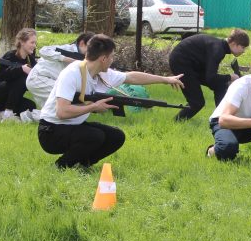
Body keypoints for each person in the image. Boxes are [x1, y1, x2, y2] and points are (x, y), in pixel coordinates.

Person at [37, 35, 184, 170]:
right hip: (50, 131)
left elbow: (131, 77)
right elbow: (62, 112)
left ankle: (82, 165)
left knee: (116, 136)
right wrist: (93, 107)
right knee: (95, 136)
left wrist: (165, 80)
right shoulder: (72, 74)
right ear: (103, 59)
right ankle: (61, 166)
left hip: (73, 126)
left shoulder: (102, 73)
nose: (113, 60)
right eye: (112, 56)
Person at [168, 28, 249, 121]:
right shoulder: (218, 50)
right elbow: (211, 78)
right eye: (243, 47)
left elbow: (211, 78)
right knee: (197, 102)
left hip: (191, 63)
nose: (243, 51)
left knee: (220, 85)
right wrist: (230, 77)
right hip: (181, 62)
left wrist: (226, 79)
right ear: (234, 44)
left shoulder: (219, 47)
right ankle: (176, 121)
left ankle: (222, 118)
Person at [27, 31, 95, 108]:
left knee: (51, 110)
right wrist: (65, 59)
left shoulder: (84, 57)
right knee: (67, 96)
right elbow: (44, 50)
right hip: (37, 78)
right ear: (82, 43)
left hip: (48, 79)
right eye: (91, 47)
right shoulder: (68, 49)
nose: (93, 51)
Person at [0, 27, 39, 122]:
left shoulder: (30, 60)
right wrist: (21, 69)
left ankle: (0, 113)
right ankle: (8, 114)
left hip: (11, 97)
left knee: (31, 106)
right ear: (22, 42)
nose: (34, 46)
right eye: (32, 42)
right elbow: (2, 75)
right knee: (21, 80)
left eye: (35, 43)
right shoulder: (10, 55)